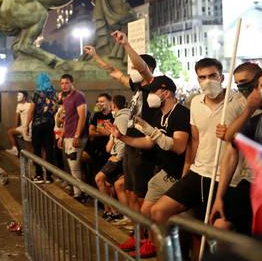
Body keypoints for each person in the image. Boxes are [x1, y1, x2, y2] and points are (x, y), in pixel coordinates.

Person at [151, 58, 253, 236]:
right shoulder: (196, 102)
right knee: (158, 211)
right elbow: (195, 140)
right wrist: (186, 170)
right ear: (197, 79)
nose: (208, 81)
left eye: (212, 76)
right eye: (202, 77)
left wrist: (232, 133)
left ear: (221, 77)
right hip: (198, 172)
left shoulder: (239, 101)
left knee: (215, 230)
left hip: (228, 178)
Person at [109, 76, 191, 257]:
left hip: (179, 174)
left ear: (166, 93)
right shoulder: (158, 115)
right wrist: (122, 138)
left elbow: (178, 147)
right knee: (145, 212)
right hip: (165, 172)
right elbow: (148, 142)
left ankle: (165, 250)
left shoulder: (181, 113)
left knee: (157, 212)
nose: (150, 96)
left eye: (154, 91)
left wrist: (150, 130)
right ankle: (152, 243)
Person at [84, 31, 158, 216]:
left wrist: (126, 45)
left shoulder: (153, 86)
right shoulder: (136, 88)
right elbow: (113, 72)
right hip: (130, 146)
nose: (131, 71)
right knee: (130, 192)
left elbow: (142, 69)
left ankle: (149, 237)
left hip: (144, 149)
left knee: (141, 195)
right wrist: (95, 56)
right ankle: (138, 233)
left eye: (134, 67)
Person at [211, 63, 262, 234]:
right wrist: (219, 197)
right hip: (250, 182)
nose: (242, 88)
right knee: (221, 225)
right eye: (238, 83)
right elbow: (230, 143)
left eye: (246, 82)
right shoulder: (250, 117)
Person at [95, 94, 129, 222]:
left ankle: (112, 211)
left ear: (113, 105)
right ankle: (113, 211)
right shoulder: (118, 118)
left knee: (99, 179)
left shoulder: (122, 118)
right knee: (110, 184)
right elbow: (110, 145)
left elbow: (124, 140)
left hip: (119, 157)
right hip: (115, 155)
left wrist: (118, 156)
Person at [58, 73, 88, 201]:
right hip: (68, 135)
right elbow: (67, 120)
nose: (64, 85)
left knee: (74, 167)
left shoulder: (78, 96)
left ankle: (79, 194)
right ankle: (81, 192)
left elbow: (82, 116)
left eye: (66, 83)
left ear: (72, 82)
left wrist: (77, 135)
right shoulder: (66, 98)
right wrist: (62, 136)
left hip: (76, 136)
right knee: (72, 166)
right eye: (62, 83)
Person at [31, 73, 57, 184]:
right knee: (49, 149)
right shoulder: (53, 93)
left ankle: (39, 175)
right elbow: (55, 108)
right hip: (50, 124)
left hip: (38, 124)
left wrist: (28, 124)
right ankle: (49, 176)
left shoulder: (37, 93)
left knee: (37, 150)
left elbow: (32, 110)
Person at [87, 93, 115, 182]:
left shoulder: (114, 115)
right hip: (96, 147)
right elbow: (91, 131)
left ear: (110, 102)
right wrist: (105, 133)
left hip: (109, 148)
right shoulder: (97, 115)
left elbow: (115, 133)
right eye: (98, 101)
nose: (99, 103)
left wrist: (99, 131)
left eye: (102, 101)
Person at [6, 91, 34, 155]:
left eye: (19, 95)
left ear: (24, 97)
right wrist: (16, 127)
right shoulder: (19, 105)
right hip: (22, 127)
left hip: (29, 127)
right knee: (10, 132)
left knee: (29, 145)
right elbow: (17, 117)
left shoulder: (30, 105)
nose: (17, 97)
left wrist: (28, 127)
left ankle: (31, 159)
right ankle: (15, 149)